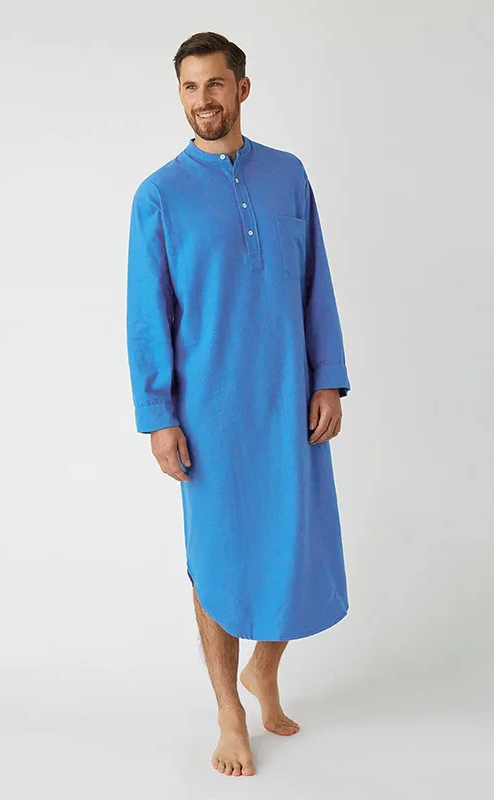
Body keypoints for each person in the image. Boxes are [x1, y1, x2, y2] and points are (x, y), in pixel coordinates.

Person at [126, 31, 352, 777]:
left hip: (289, 399)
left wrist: (328, 377)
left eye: (215, 84)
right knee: (217, 559)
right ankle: (229, 709)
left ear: (242, 89)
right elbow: (147, 315)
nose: (204, 100)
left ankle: (264, 671)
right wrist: (159, 414)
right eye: (190, 87)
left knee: (293, 544)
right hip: (209, 412)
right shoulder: (159, 195)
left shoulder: (288, 176)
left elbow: (316, 281)